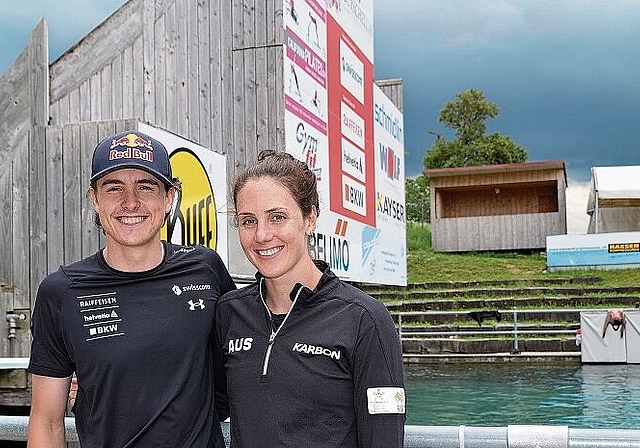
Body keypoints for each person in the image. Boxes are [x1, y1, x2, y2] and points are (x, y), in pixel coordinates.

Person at [27, 130, 236, 448]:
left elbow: (245, 360)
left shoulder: (206, 268)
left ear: (169, 198)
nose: (131, 202)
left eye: (146, 186)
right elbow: (47, 422)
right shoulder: (61, 292)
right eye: (114, 188)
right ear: (94, 199)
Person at [215, 150, 405, 447]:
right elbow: (200, 406)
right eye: (248, 221)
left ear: (310, 217)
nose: (262, 235)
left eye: (277, 217)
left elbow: (384, 437)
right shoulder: (230, 312)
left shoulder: (364, 319)